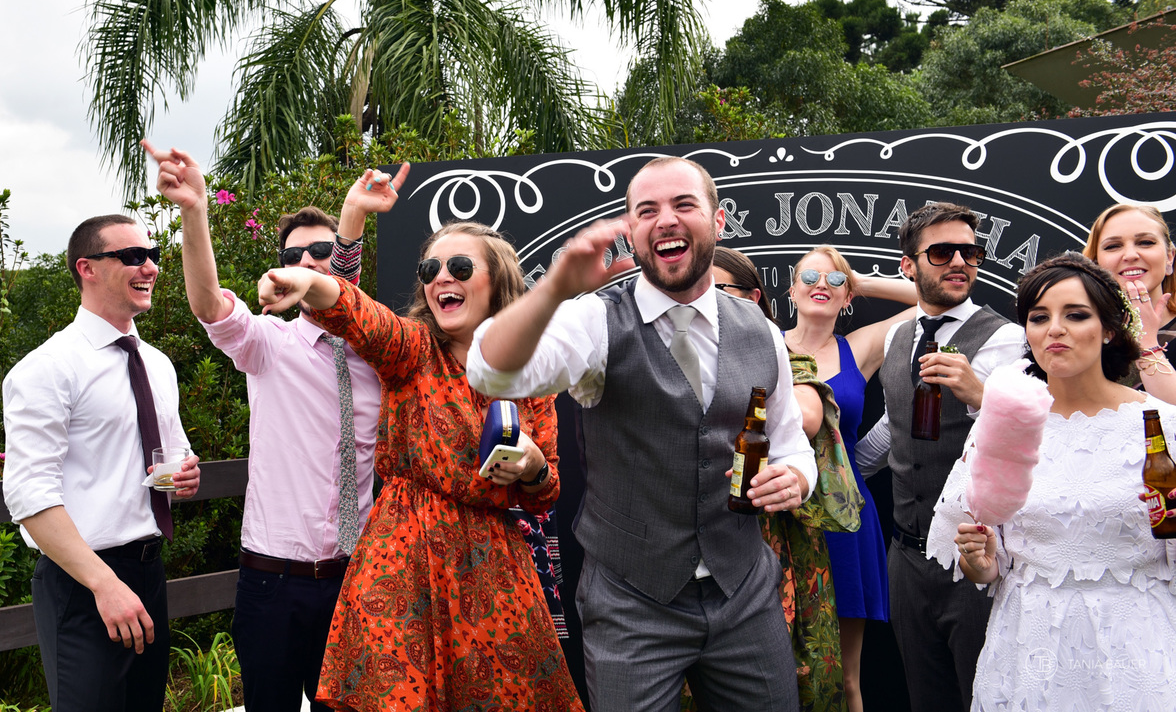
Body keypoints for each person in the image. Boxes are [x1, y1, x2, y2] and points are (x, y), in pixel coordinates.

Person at [468, 156, 817, 711]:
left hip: (745, 593)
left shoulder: (762, 332)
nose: (666, 220)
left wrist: (797, 476)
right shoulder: (594, 319)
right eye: (646, 210)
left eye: (684, 205)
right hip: (632, 602)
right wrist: (556, 286)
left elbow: (790, 438)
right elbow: (492, 371)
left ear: (719, 220)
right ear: (630, 231)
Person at [256, 215, 582, 710]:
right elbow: (356, 313)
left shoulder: (533, 372)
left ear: (498, 280)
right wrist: (306, 280)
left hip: (492, 570)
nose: (440, 278)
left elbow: (548, 490)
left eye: (457, 265)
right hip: (402, 563)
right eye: (430, 268)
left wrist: (534, 467)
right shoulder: (412, 349)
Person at [145, 142, 393, 711]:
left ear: (343, 258)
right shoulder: (267, 343)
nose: (307, 264)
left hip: (358, 578)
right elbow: (209, 305)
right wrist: (194, 211)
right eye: (293, 255)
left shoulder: (381, 350)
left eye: (321, 251)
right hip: (272, 582)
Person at [931, 252, 1176, 710]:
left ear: (1108, 329)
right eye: (1039, 317)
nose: (1054, 329)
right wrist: (980, 559)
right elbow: (989, 568)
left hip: (1134, 650)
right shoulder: (1000, 425)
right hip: (1028, 650)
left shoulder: (1162, 426)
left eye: (1076, 315)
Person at [2, 214, 201, 711]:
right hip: (83, 582)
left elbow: (167, 462)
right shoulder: (47, 369)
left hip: (148, 573)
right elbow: (29, 494)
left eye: (153, 255)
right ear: (86, 268)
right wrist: (103, 583)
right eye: (132, 256)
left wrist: (182, 476)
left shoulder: (157, 363)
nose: (150, 266)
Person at [853, 202, 1024, 712]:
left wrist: (981, 393)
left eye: (969, 251)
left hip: (977, 559)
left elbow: (1030, 438)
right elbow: (893, 427)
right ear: (908, 265)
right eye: (942, 251)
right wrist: (835, 476)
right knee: (925, 698)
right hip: (905, 557)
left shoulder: (1007, 338)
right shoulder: (897, 336)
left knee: (983, 695)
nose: (959, 261)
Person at [769, 245, 917, 712]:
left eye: (834, 282)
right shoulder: (765, 342)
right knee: (776, 670)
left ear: (847, 295)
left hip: (846, 519)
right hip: (778, 516)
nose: (821, 286)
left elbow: (927, 300)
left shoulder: (859, 348)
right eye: (810, 277)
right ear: (791, 289)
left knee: (846, 677)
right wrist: (838, 279)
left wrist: (859, 281)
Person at [1083, 203, 1176, 403]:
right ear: (1096, 264)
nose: (1131, 255)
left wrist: (1147, 342)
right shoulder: (1083, 332)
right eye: (1113, 246)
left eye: (1146, 242)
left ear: (1169, 257)